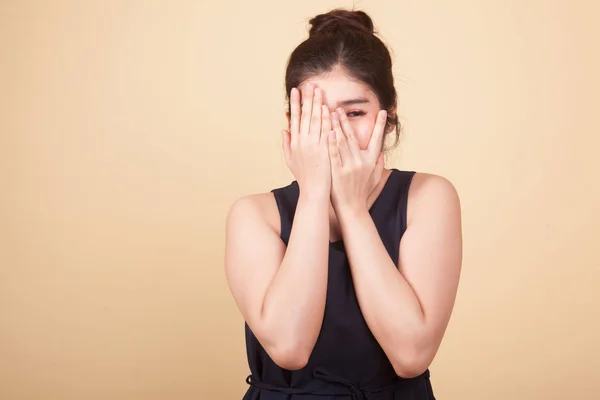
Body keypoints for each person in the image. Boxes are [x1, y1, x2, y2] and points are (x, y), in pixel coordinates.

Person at [224, 8, 462, 400]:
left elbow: (411, 355)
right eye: (317, 116)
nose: (336, 132)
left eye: (355, 113)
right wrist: (315, 194)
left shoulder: (428, 198)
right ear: (291, 120)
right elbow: (289, 347)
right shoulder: (254, 215)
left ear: (388, 117)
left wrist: (351, 209)